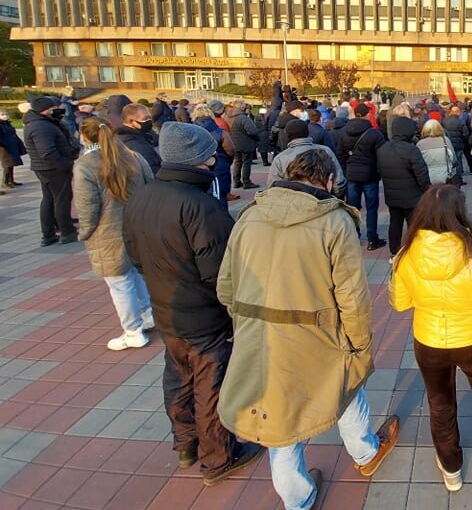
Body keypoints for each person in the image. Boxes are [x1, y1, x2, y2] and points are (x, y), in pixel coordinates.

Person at [217, 150, 400, 509]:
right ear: (329, 181)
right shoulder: (335, 222)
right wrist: (360, 344)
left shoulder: (250, 216)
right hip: (319, 332)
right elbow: (352, 296)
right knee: (345, 388)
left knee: (279, 423)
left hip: (260, 335)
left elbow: (226, 285)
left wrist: (251, 321)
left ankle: (298, 500)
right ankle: (366, 453)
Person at [123, 122, 264, 485]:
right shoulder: (201, 205)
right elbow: (222, 273)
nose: (216, 157)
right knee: (210, 385)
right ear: (197, 159)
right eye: (210, 153)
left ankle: (186, 443)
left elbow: (135, 255)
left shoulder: (142, 196)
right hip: (203, 316)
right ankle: (218, 457)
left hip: (167, 307)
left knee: (178, 377)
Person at [389, 184, 472, 492]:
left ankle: (451, 468)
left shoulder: (404, 256)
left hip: (428, 341)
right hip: (471, 337)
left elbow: (401, 303)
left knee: (439, 402)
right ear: (460, 214)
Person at [74, 117, 155, 351]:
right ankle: (148, 313)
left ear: (84, 136)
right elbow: (150, 187)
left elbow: (87, 206)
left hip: (107, 232)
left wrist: (86, 232)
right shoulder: (133, 157)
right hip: (137, 226)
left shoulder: (85, 165)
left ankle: (132, 331)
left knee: (120, 283)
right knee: (136, 274)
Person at [23, 96, 78, 246]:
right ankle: (66, 232)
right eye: (54, 109)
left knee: (50, 199)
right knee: (61, 199)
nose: (57, 111)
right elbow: (47, 152)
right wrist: (66, 164)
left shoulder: (42, 124)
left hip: (46, 168)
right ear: (45, 110)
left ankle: (50, 233)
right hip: (53, 169)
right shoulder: (41, 127)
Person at [377, 116, 431, 258]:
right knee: (413, 225)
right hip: (412, 196)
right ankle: (415, 251)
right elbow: (422, 174)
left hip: (392, 195)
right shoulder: (411, 150)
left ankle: (394, 251)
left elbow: (379, 171)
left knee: (394, 222)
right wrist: (427, 190)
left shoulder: (382, 149)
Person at [337, 102, 387, 251]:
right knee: (371, 208)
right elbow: (381, 155)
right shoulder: (374, 133)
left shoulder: (344, 131)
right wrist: (379, 172)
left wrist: (347, 168)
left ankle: (354, 236)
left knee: (353, 207)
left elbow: (340, 153)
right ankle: (372, 239)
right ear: (367, 114)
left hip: (351, 174)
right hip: (370, 175)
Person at [267, 119, 345, 196]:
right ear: (308, 132)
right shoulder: (325, 151)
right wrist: (333, 196)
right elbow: (338, 181)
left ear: (288, 135)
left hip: (293, 201)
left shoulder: (280, 158)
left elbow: (273, 186)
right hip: (323, 199)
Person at [191, 104, 235, 208]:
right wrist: (228, 161)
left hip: (198, 165)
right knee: (221, 194)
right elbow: (230, 150)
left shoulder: (190, 132)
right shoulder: (220, 132)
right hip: (219, 164)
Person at [115, 102, 161, 175]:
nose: (149, 121)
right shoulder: (136, 143)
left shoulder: (120, 135)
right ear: (131, 121)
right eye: (145, 119)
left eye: (150, 118)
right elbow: (151, 170)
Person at [227, 100, 260, 190]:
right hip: (245, 143)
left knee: (237, 162)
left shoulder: (228, 117)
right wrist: (257, 138)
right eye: (244, 104)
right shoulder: (242, 117)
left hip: (233, 143)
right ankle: (246, 182)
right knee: (246, 163)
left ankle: (236, 181)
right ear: (241, 106)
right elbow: (252, 131)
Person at [417, 119, 457, 186]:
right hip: (445, 176)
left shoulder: (420, 144)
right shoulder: (445, 141)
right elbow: (454, 160)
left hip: (428, 177)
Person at [442, 106, 470, 187]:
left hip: (447, 144)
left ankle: (450, 179)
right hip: (458, 145)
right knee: (458, 163)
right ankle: (459, 180)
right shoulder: (461, 122)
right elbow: (466, 134)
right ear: (458, 112)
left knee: (448, 162)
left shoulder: (444, 121)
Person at [0, 110, 26, 189]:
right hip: (4, 147)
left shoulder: (7, 123)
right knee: (7, 165)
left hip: (12, 145)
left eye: (5, 114)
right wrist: (4, 143)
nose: (5, 115)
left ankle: (11, 180)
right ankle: (5, 182)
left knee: (12, 163)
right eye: (2, 114)